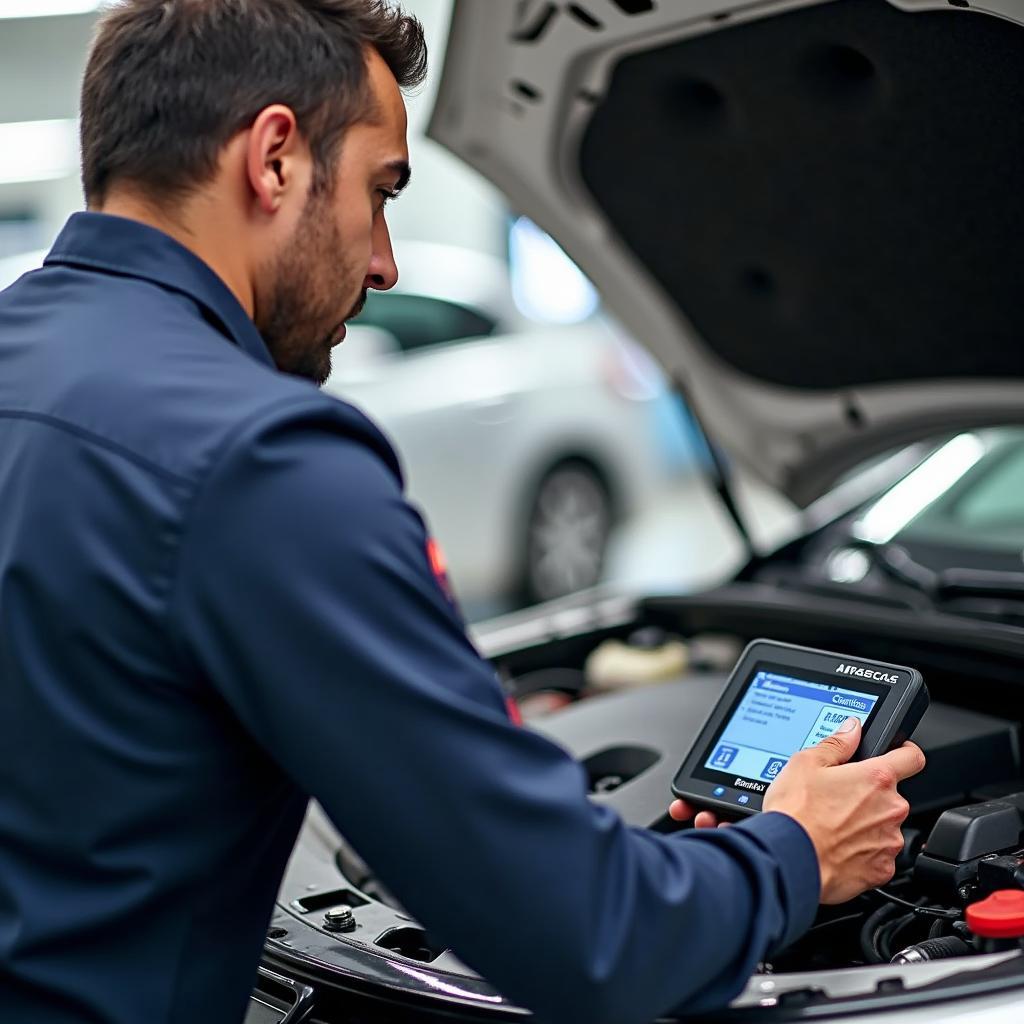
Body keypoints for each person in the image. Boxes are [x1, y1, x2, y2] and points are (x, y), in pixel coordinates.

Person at [0, 2, 925, 1022]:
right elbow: (589, 939)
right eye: (380, 190)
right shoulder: (261, 460)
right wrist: (794, 848)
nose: (384, 261)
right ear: (272, 159)